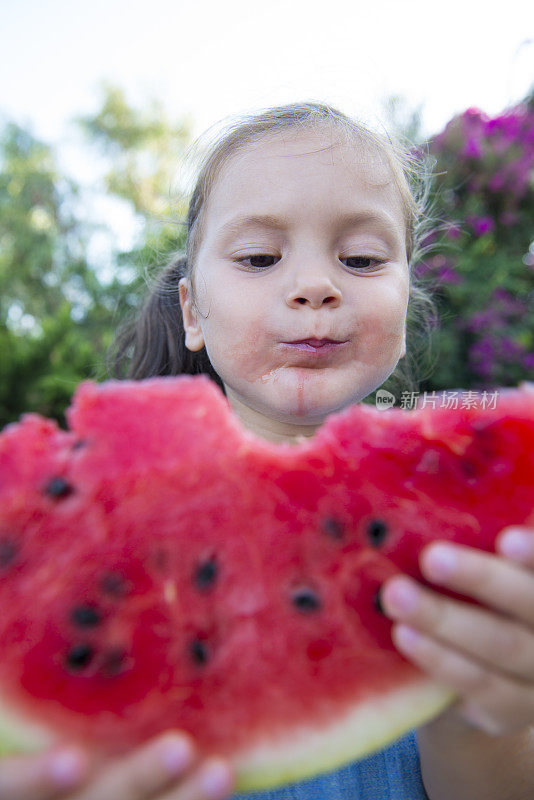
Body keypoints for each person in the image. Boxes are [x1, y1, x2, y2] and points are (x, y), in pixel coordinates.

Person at [5, 102, 534, 799]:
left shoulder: (473, 547)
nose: (315, 286)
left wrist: (483, 712)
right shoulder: (96, 523)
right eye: (259, 257)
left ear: (405, 308)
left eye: (362, 259)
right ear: (193, 311)